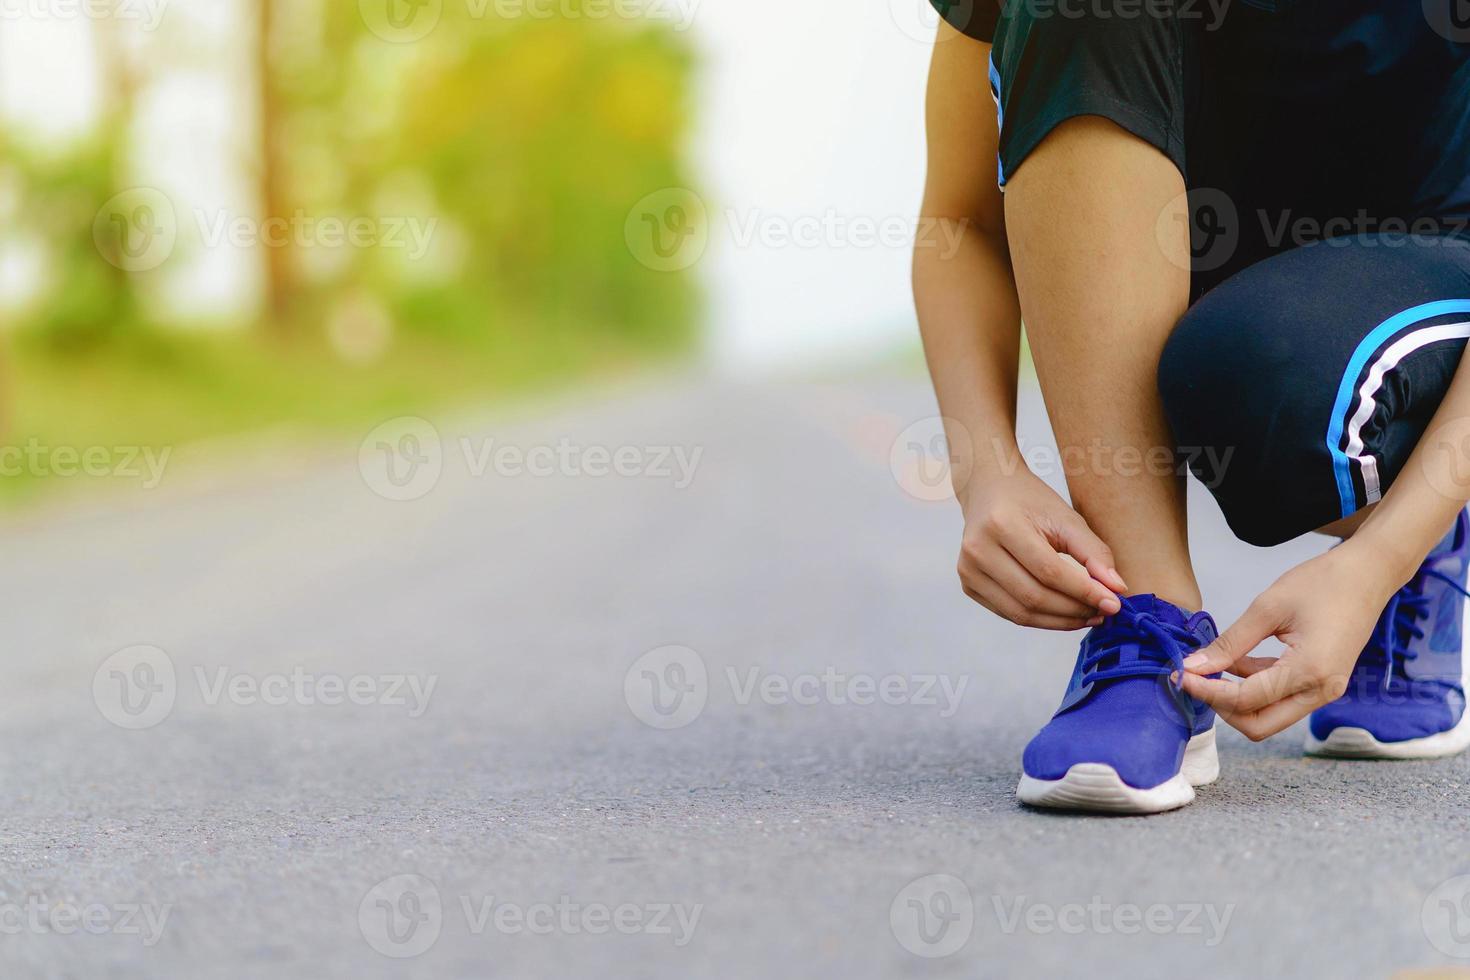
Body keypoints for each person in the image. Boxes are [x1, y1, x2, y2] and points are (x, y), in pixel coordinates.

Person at [915, 0, 1470, 813]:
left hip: (1422, 280)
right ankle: (1149, 631)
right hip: (1191, 262)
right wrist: (985, 471)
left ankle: (1432, 535)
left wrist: (1381, 558)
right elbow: (958, 218)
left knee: (1256, 378)